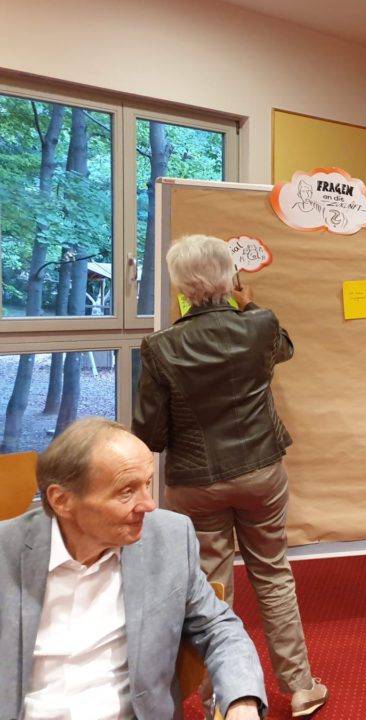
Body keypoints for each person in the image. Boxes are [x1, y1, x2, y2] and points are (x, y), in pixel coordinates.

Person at [132, 234, 328, 717]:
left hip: (195, 481)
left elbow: (149, 434)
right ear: (232, 278)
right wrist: (249, 303)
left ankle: (219, 699)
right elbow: (283, 350)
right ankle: (301, 687)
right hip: (262, 472)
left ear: (180, 287)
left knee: (209, 589)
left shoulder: (160, 346)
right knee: (273, 572)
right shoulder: (260, 325)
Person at [0, 417, 266, 720]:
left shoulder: (167, 538)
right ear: (62, 501)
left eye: (147, 483)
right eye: (126, 491)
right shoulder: (7, 550)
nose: (149, 505)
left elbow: (217, 627)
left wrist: (242, 699)